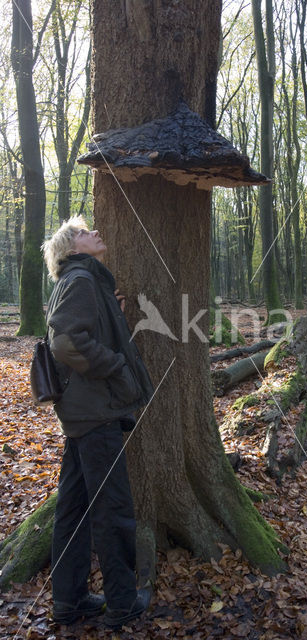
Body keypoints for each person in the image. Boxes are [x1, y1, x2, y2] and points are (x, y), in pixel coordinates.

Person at [42, 215, 154, 629]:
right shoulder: (81, 281)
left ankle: (68, 603)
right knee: (113, 509)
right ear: (73, 248)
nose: (96, 233)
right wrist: (115, 363)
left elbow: (80, 331)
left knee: (73, 510)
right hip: (94, 413)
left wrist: (113, 314)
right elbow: (66, 341)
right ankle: (123, 603)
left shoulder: (81, 282)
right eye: (85, 232)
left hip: (81, 413)